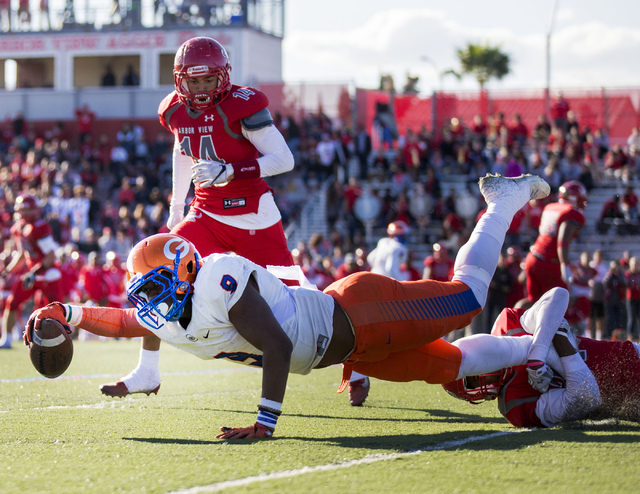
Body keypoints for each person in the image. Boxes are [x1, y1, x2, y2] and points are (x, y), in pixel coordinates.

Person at [27, 173, 551, 439]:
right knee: (449, 366)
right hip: (347, 349)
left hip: (356, 314)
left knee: (467, 298)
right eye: (147, 286)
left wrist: (265, 422)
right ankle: (540, 346)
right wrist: (62, 313)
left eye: (160, 282)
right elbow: (120, 320)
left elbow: (276, 344)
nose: (154, 297)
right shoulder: (173, 309)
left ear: (187, 267)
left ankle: (502, 201)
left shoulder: (215, 277)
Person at [99, 36, 301, 401]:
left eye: (209, 79)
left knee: (298, 305)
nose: (203, 88)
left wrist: (229, 171)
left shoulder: (243, 104)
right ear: (180, 80)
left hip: (253, 216)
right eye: (194, 81)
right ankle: (147, 370)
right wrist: (178, 209)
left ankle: (353, 362)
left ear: (223, 76)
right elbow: (183, 150)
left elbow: (283, 159)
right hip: (205, 213)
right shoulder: (174, 110)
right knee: (156, 271)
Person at [443, 288, 640, 427]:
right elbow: (587, 398)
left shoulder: (507, 326)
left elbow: (558, 295)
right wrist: (556, 347)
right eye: (470, 384)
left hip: (632, 356)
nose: (480, 382)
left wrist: (538, 352)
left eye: (471, 374)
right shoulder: (515, 408)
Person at [1, 195, 63, 348]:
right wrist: (7, 271)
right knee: (12, 302)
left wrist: (34, 272)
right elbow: (23, 254)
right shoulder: (19, 228)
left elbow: (51, 256)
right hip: (32, 275)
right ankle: (6, 339)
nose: (23, 212)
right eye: (22, 209)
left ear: (35, 210)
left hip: (48, 275)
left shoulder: (40, 227)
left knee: (55, 311)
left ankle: (60, 341)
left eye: (27, 209)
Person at [523, 180, 587, 305]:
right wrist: (564, 264)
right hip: (548, 263)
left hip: (533, 257)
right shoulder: (572, 213)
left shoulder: (550, 207)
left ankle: (510, 321)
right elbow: (562, 241)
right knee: (559, 304)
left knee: (533, 304)